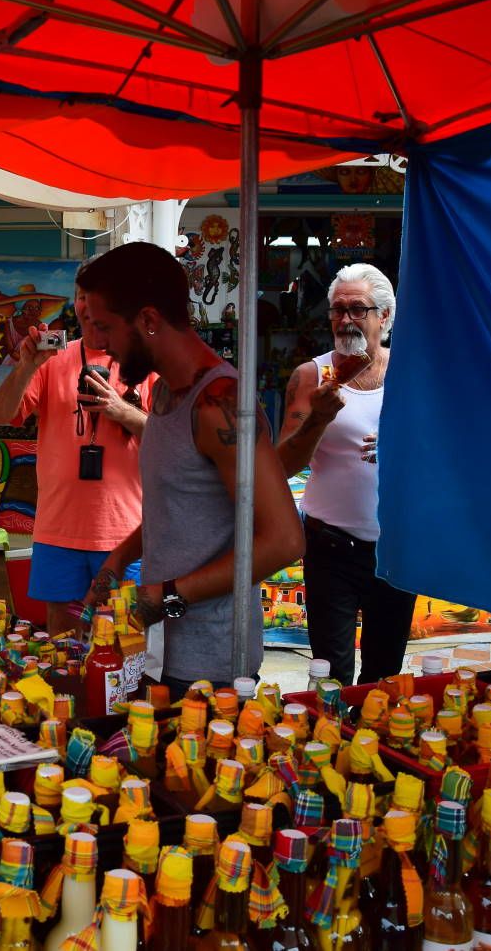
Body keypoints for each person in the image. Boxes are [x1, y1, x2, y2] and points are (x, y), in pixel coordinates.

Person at [75, 242, 304, 696]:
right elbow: (181, 505)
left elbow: (284, 540)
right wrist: (119, 559)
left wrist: (167, 597)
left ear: (148, 321)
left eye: (105, 327)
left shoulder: (219, 403)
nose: (98, 343)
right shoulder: (164, 393)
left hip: (212, 667)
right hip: (162, 651)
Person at [0, 275, 154, 635]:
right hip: (57, 531)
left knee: (124, 642)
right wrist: (27, 365)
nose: (90, 307)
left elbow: (175, 441)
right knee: (62, 641)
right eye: (82, 297)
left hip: (124, 535)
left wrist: (121, 411)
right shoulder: (52, 358)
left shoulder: (145, 364)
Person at [277, 263, 415, 685]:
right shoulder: (310, 376)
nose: (345, 319)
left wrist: (402, 446)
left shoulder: (410, 374)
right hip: (330, 545)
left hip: (394, 547)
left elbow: (447, 448)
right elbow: (282, 465)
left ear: (384, 317)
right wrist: (318, 418)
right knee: (331, 673)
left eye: (358, 309)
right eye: (338, 309)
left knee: (384, 674)